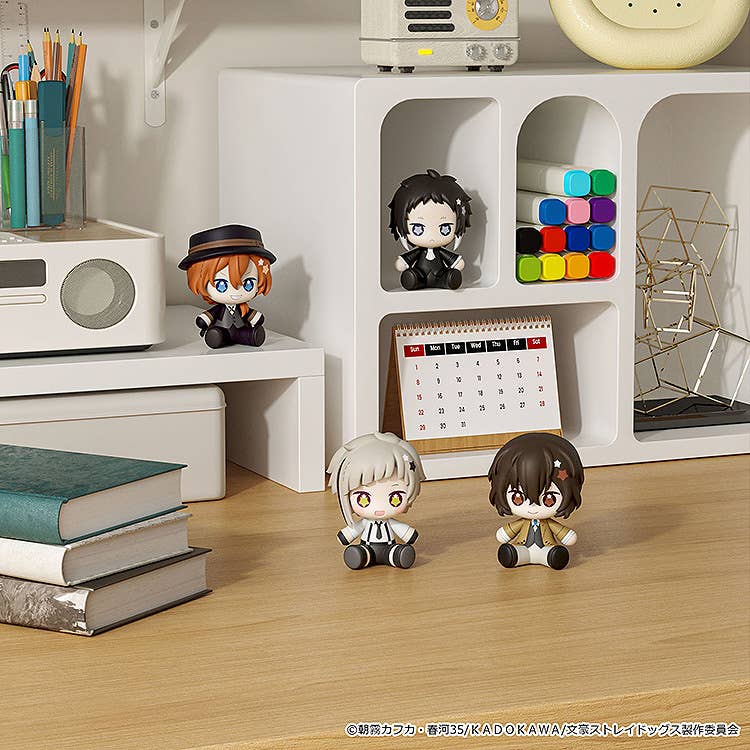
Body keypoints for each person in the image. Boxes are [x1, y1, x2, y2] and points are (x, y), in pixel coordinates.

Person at [328, 432, 425, 570]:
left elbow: (406, 533)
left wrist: (410, 535)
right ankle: (361, 556)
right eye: (364, 499)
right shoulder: (365, 523)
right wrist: (346, 536)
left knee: (395, 553)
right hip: (367, 547)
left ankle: (397, 555)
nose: (379, 508)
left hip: (389, 546)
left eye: (395, 497)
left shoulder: (389, 522)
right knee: (362, 553)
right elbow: (350, 533)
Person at [488, 432, 584, 570]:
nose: (533, 506)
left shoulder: (548, 523)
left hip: (547, 547)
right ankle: (516, 555)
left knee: (553, 554)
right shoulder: (523, 522)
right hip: (522, 546)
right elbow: (503, 535)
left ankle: (551, 557)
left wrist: (566, 536)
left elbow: (568, 537)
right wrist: (505, 533)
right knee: (514, 552)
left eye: (549, 499)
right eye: (518, 497)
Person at [179, 224, 276, 349]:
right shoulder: (220, 310)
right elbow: (207, 317)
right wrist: (204, 321)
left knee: (248, 334)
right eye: (221, 285)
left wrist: (257, 319)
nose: (236, 291)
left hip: (241, 329)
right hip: (221, 330)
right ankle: (216, 337)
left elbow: (254, 317)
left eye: (248, 283)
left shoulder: (243, 309)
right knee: (217, 335)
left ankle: (251, 336)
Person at [388, 169, 472, 291]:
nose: (431, 237)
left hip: (440, 275)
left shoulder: (440, 252)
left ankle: (447, 279)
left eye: (445, 228)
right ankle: (414, 280)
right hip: (419, 275)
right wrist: (403, 263)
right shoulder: (418, 252)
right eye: (418, 228)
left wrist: (456, 263)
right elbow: (403, 263)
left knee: (448, 276)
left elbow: (456, 262)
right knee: (413, 277)